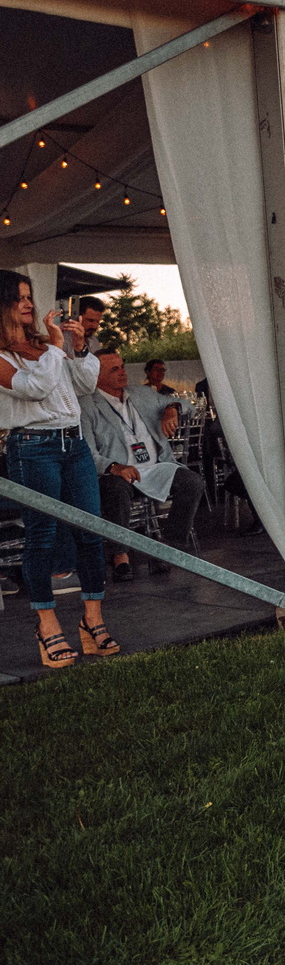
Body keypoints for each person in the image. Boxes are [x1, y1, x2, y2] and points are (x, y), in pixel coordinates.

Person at [0, 269, 118, 667]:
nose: (29, 303)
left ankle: (92, 621)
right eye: (20, 297)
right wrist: (55, 347)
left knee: (91, 532)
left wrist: (80, 349)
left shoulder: (43, 345)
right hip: (33, 447)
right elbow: (33, 389)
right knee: (43, 537)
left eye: (29, 295)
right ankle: (47, 625)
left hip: (74, 444)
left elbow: (84, 385)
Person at [81, 352, 205, 581]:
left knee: (192, 482)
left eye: (122, 366)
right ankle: (120, 554)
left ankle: (168, 548)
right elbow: (87, 452)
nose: (123, 372)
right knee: (114, 489)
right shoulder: (87, 405)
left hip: (154, 466)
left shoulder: (142, 394)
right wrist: (114, 467)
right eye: (114, 369)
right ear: (95, 376)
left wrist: (172, 408)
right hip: (118, 470)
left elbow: (189, 404)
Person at [127, 358, 190, 441]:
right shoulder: (140, 392)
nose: (160, 372)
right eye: (156, 369)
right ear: (148, 372)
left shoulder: (170, 392)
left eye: (162, 370)